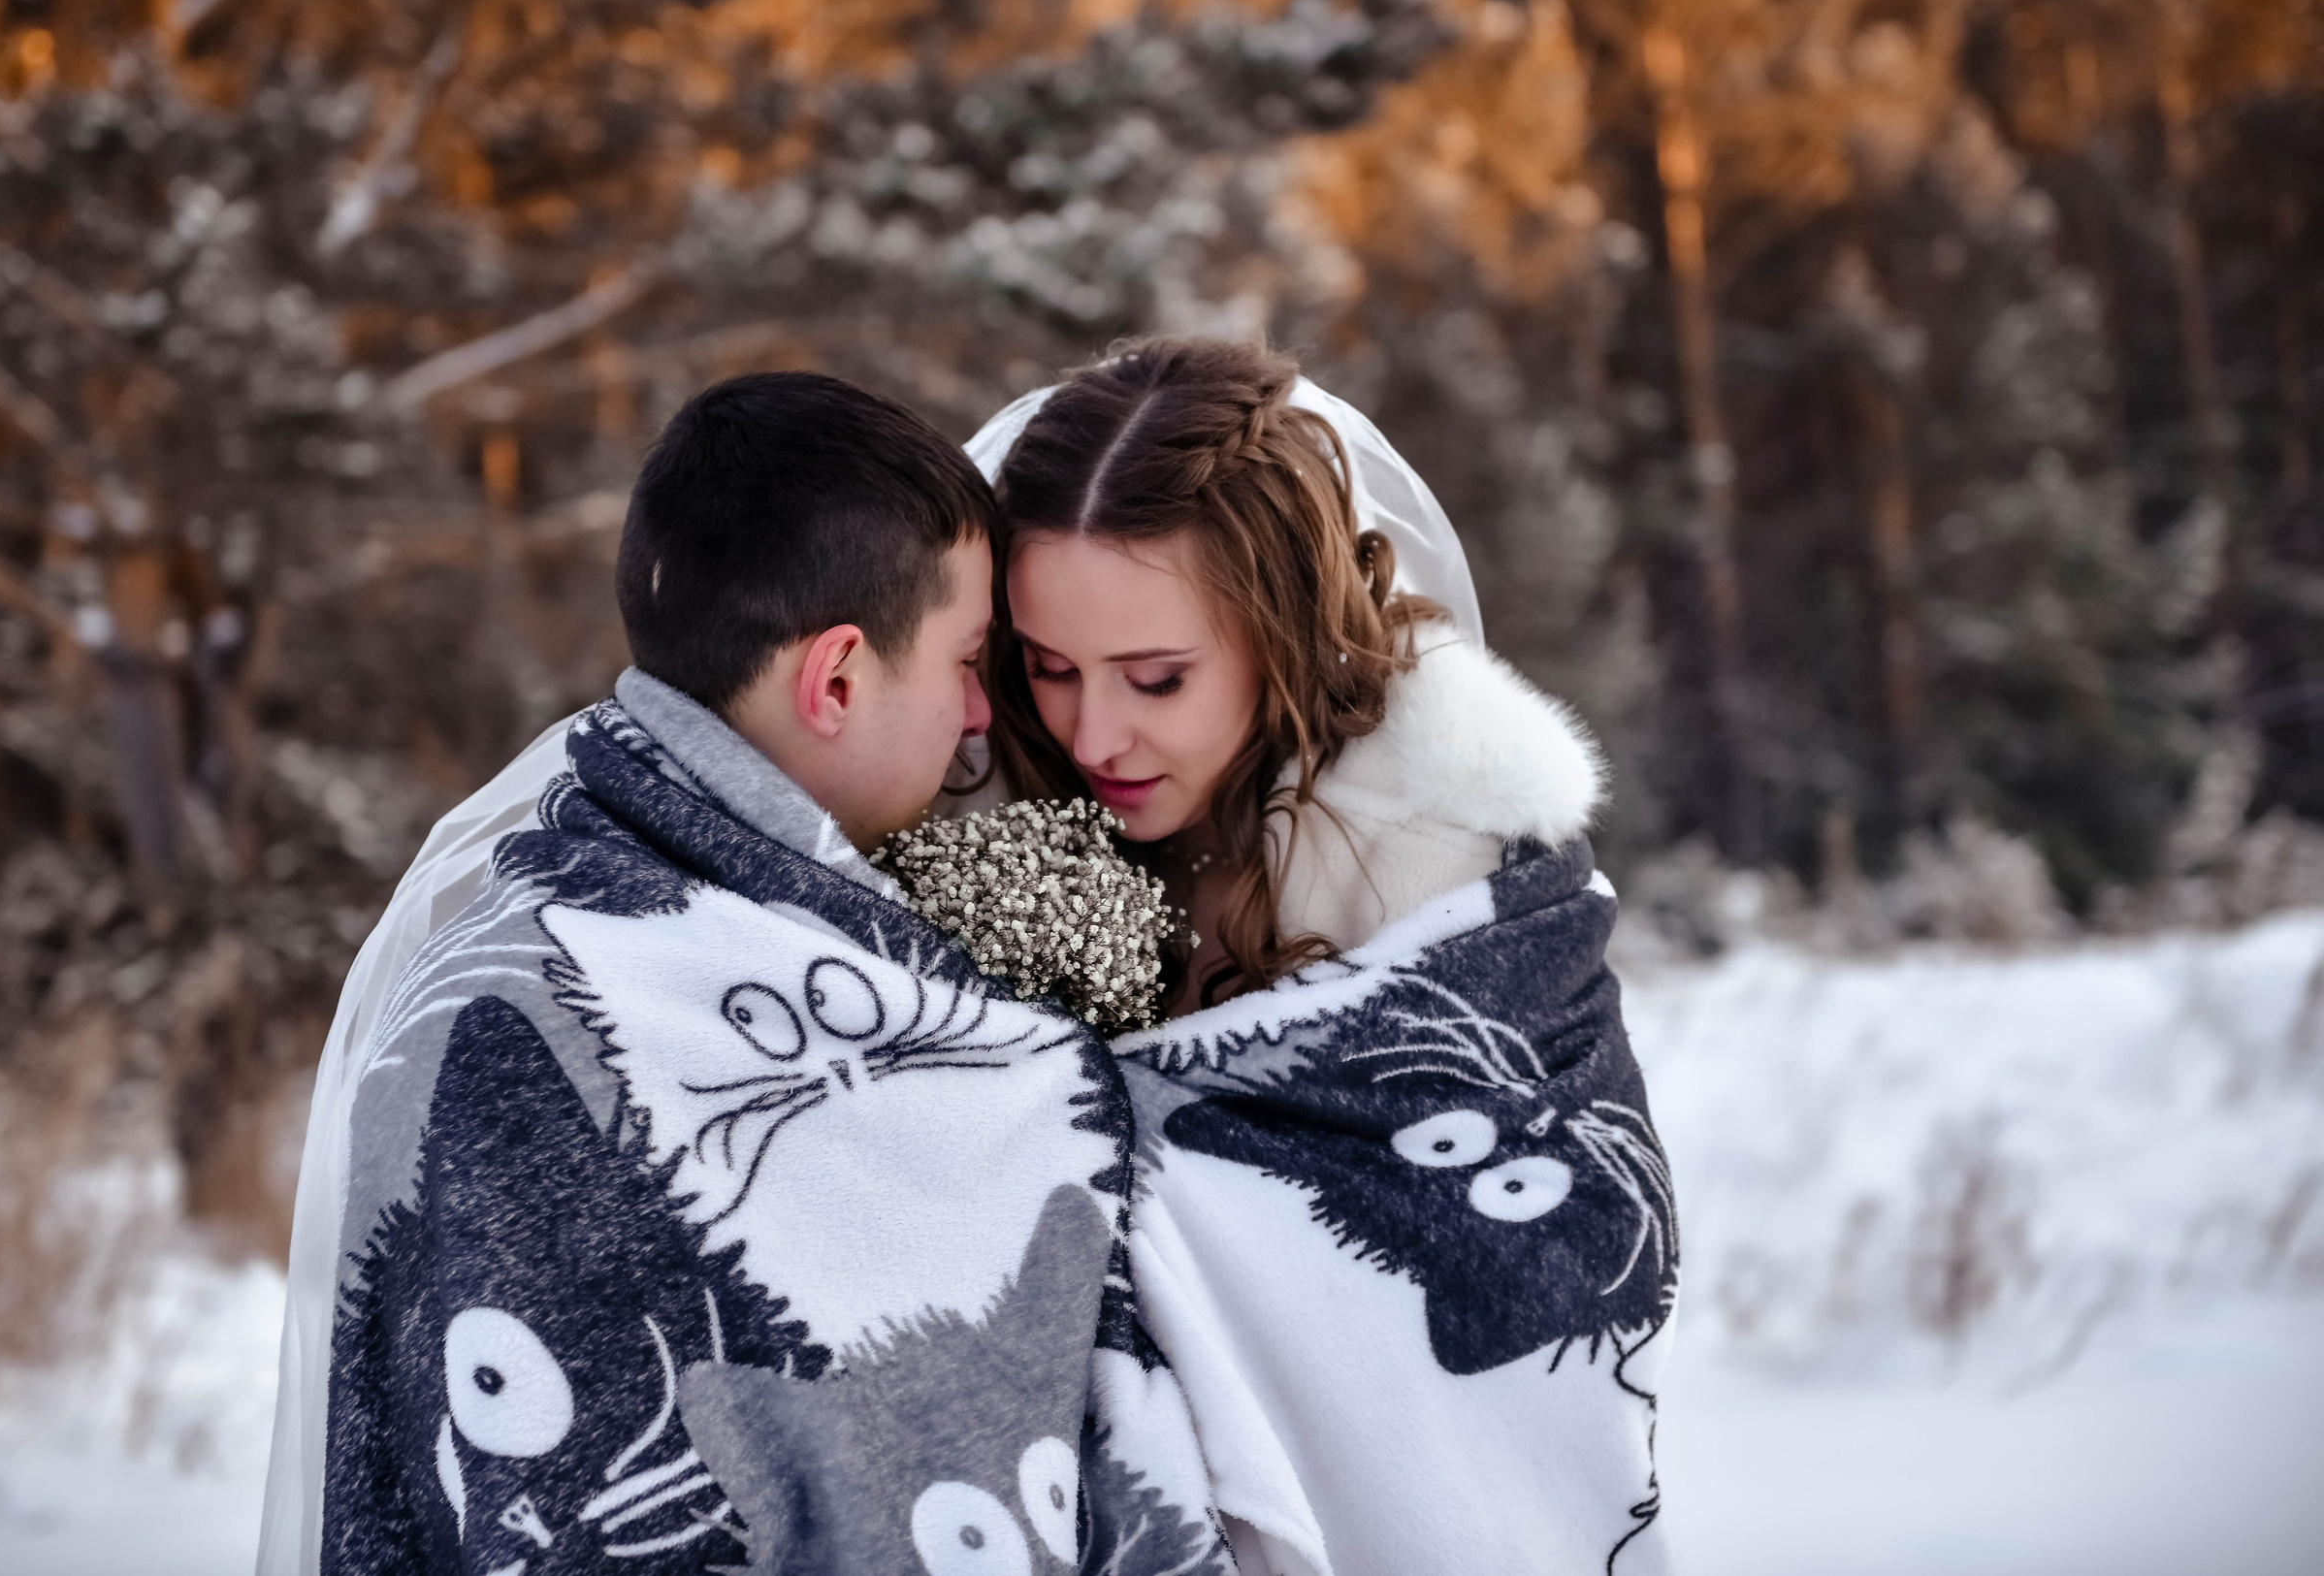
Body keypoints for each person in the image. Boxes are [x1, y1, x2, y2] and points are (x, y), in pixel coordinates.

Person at [258, 371, 1231, 1576]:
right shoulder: (546, 1033)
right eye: (968, 660)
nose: (984, 716)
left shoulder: (470, 982)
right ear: (833, 679)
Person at [961, 337, 1677, 1576]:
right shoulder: (987, 834)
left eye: (1156, 676)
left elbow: (1584, 1241)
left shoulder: (1451, 865)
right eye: (1049, 667)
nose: (1092, 730)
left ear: (1282, 634)